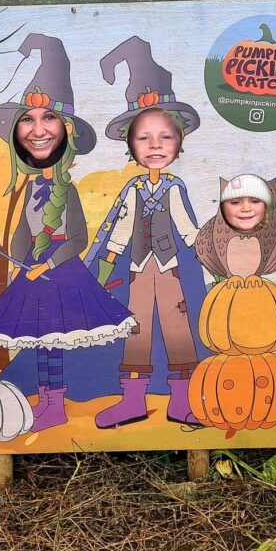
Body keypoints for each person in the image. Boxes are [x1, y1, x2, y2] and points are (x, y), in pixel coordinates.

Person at [0, 34, 135, 432]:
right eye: (27, 120)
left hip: (61, 271)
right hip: (32, 271)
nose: (38, 129)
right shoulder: (31, 187)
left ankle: (55, 402)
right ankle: (49, 402)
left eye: (49, 119)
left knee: (55, 337)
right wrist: (17, 265)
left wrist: (46, 261)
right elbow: (22, 235)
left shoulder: (70, 190)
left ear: (66, 131)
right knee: (41, 337)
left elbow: (79, 239)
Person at [86, 36, 206, 428]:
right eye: (144, 138)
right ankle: (132, 401)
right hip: (138, 269)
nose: (155, 146)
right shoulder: (133, 189)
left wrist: (210, 253)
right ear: (130, 145)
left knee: (178, 329)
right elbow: (120, 227)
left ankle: (181, 402)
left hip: (169, 268)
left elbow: (188, 228)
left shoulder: (174, 187)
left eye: (165, 137)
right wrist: (107, 259)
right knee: (135, 330)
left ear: (179, 141)